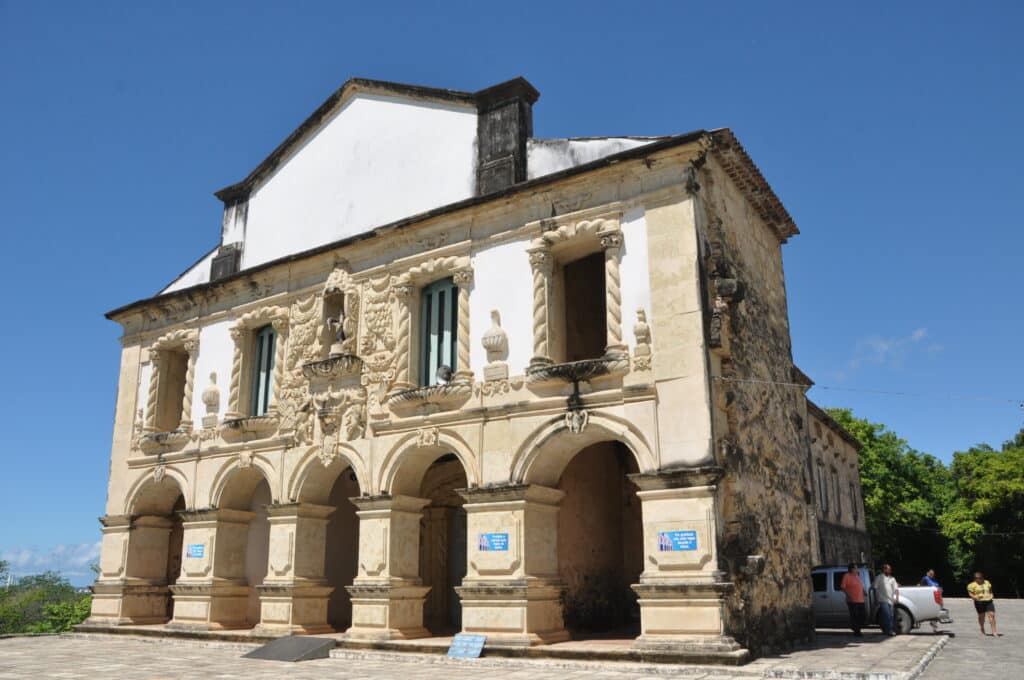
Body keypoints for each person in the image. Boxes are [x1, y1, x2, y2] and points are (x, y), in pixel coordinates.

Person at [967, 571, 998, 636]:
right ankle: (982, 629)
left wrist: (992, 595)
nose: (978, 579)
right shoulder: (971, 585)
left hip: (988, 600)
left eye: (980, 578)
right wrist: (975, 597)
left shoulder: (987, 582)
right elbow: (970, 594)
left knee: (992, 615)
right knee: (982, 616)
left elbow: (990, 590)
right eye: (976, 578)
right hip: (979, 602)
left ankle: (994, 632)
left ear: (982, 577)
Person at [873, 563, 899, 635]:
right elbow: (875, 588)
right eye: (888, 569)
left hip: (891, 600)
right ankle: (889, 630)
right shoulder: (879, 577)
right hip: (882, 600)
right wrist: (875, 599)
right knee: (886, 615)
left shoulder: (892, 579)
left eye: (890, 569)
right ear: (884, 569)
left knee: (891, 615)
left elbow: (896, 589)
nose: (890, 570)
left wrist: (896, 598)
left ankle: (886, 629)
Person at [840, 563, 866, 636]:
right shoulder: (847, 576)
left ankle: (855, 627)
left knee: (863, 615)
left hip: (861, 599)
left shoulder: (857, 576)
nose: (857, 569)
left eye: (857, 568)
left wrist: (863, 591)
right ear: (851, 569)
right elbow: (843, 587)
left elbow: (860, 585)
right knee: (855, 616)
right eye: (855, 568)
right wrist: (848, 595)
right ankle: (857, 631)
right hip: (852, 600)